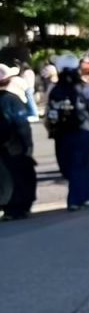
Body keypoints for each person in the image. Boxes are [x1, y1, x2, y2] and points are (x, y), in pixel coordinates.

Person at [46, 54, 89, 210]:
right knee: (80, 164)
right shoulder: (84, 88)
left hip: (61, 133)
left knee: (68, 164)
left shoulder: (55, 89)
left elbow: (49, 113)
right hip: (82, 131)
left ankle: (79, 196)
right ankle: (80, 196)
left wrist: (51, 129)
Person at [0, 64, 36, 219]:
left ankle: (9, 207)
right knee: (20, 176)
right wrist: (28, 144)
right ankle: (18, 208)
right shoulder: (11, 99)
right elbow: (21, 124)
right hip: (13, 145)